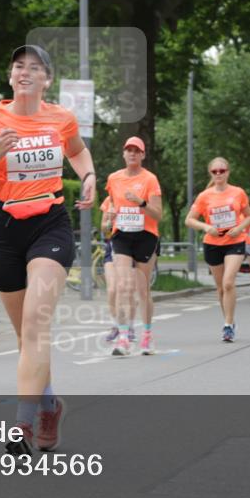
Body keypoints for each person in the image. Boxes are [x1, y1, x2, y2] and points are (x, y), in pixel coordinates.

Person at [0, 45, 95, 454]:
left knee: (36, 324)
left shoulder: (61, 118)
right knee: (25, 336)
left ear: (47, 79)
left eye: (35, 67)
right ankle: (49, 406)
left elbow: (77, 151)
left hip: (50, 224)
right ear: (10, 76)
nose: (26, 72)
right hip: (5, 228)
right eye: (19, 66)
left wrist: (88, 176)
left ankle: (22, 424)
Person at [104, 137, 163, 355]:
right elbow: (112, 203)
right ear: (123, 154)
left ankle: (147, 335)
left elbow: (158, 214)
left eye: (136, 151)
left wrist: (141, 202)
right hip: (122, 235)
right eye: (128, 150)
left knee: (142, 289)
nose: (132, 154)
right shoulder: (114, 178)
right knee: (123, 286)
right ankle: (123, 338)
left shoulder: (150, 179)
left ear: (143, 155)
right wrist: (110, 216)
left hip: (146, 236)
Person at [185, 157, 250, 342]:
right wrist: (206, 227)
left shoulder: (238, 192)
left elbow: (249, 217)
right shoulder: (204, 196)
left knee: (228, 282)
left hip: (235, 241)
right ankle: (229, 320)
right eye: (215, 171)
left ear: (228, 172)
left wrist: (238, 228)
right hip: (213, 244)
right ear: (211, 174)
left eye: (222, 171)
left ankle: (228, 325)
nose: (218, 174)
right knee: (221, 288)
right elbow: (189, 220)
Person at [99, 196, 121, 344]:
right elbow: (103, 227)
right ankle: (115, 325)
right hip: (112, 246)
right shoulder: (109, 200)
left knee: (125, 290)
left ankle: (128, 325)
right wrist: (109, 222)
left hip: (132, 246)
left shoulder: (137, 196)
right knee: (112, 289)